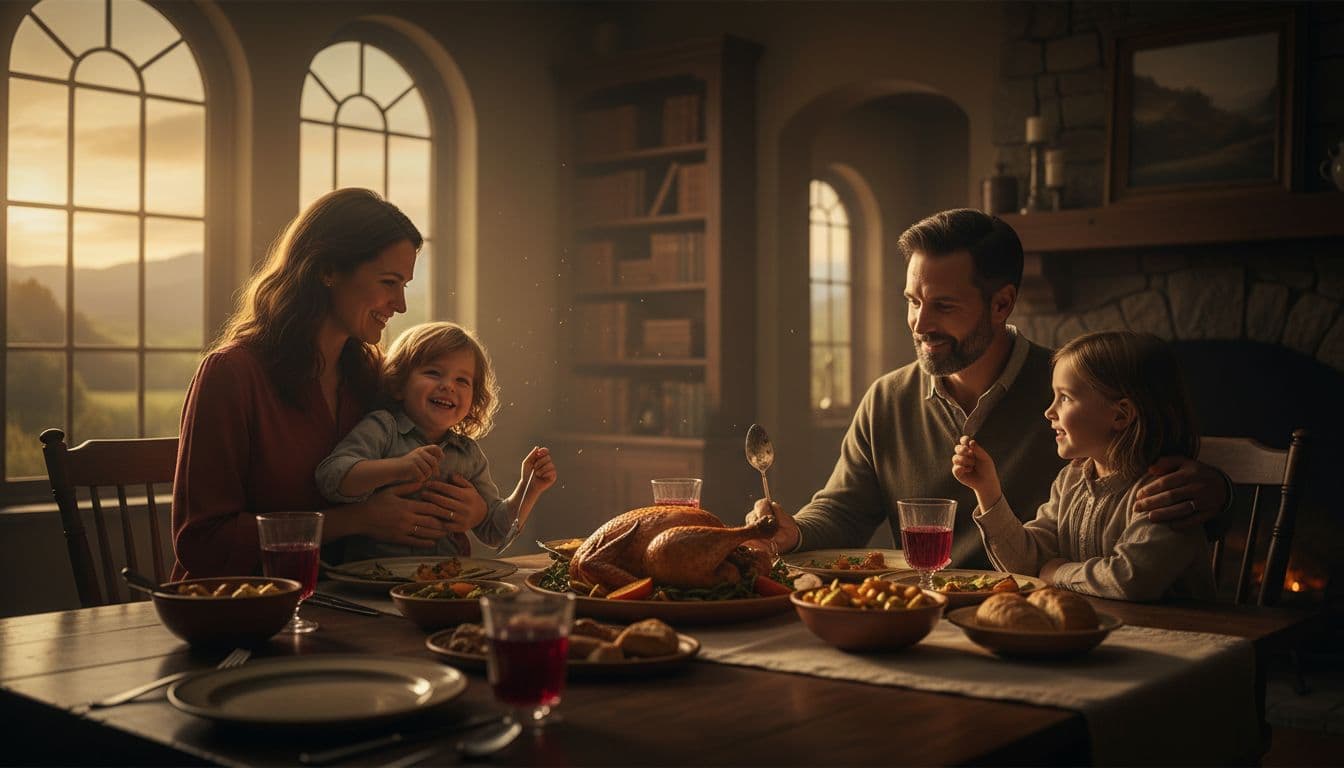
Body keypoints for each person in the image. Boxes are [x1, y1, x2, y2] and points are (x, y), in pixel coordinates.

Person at [748, 208, 1229, 569]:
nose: (920, 323)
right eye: (913, 301)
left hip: (1043, 616)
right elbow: (843, 510)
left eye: (944, 307)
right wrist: (793, 532)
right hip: (924, 618)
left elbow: (1147, 485)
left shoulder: (1077, 395)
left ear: (1002, 304)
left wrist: (1218, 492)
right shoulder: (887, 398)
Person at [172, 188, 479, 578]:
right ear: (327, 270)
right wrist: (356, 519)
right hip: (242, 611)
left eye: (404, 286)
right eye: (389, 282)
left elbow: (420, 493)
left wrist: (467, 508)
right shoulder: (231, 374)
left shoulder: (373, 377)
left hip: (355, 605)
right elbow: (203, 543)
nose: (400, 305)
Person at [951, 331, 1215, 600]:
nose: (1049, 411)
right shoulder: (1072, 480)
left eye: (1065, 397)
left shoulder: (1166, 491)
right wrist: (987, 490)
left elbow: (1130, 579)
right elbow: (1025, 565)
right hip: (1104, 629)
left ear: (1121, 414)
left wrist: (1058, 573)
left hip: (1177, 635)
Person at [315, 321, 557, 560]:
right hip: (372, 579)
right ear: (398, 384)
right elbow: (331, 477)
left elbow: (496, 532)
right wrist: (398, 468)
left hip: (442, 584)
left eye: (462, 380)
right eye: (433, 372)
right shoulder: (382, 428)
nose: (448, 386)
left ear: (473, 401)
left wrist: (529, 488)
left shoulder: (468, 454)